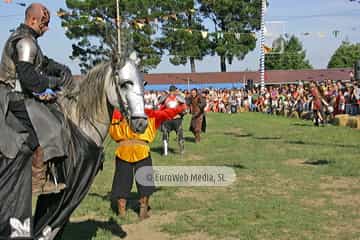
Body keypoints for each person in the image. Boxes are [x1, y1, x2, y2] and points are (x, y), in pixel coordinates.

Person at [0, 3, 71, 195]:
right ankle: (37, 181)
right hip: (12, 97)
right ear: (32, 19)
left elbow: (43, 62)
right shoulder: (24, 42)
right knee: (49, 128)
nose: (46, 28)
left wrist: (61, 69)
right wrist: (54, 82)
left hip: (20, 95)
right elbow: (29, 78)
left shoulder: (29, 40)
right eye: (43, 23)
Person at [109, 104, 187, 220]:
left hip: (123, 151)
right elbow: (167, 114)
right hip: (142, 151)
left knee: (122, 182)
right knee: (145, 182)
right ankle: (143, 211)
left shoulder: (116, 114)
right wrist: (180, 108)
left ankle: (122, 212)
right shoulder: (149, 113)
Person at [159, 85, 187, 155]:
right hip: (176, 119)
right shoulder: (178, 97)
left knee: (165, 134)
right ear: (174, 90)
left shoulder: (165, 97)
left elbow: (160, 107)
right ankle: (181, 150)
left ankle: (165, 152)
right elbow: (184, 108)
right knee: (179, 133)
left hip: (169, 119)